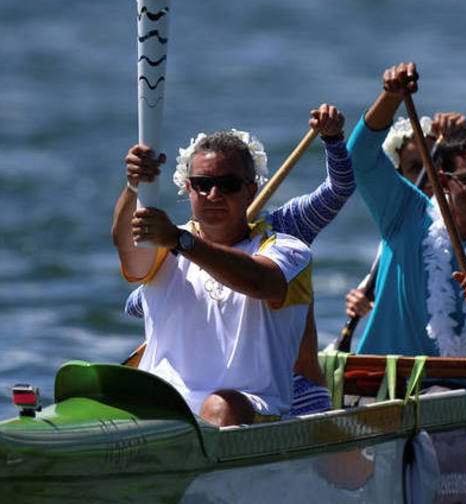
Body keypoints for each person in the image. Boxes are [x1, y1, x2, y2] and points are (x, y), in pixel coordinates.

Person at [122, 105, 354, 417]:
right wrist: (134, 186)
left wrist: (334, 139)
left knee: (222, 407)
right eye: (203, 184)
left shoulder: (288, 235)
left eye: (229, 185)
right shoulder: (165, 241)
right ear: (188, 188)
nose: (214, 194)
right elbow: (127, 250)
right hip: (167, 408)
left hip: (268, 399)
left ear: (251, 190)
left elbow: (339, 190)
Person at [347, 61, 466, 358]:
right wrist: (390, 97)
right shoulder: (405, 213)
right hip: (382, 382)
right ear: (442, 181)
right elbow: (360, 157)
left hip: (460, 388)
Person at [343, 111, 466, 325]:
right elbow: (383, 277)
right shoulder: (400, 223)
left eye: (435, 163)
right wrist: (361, 297)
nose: (429, 174)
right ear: (398, 176)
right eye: (416, 167)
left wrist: (465, 140)